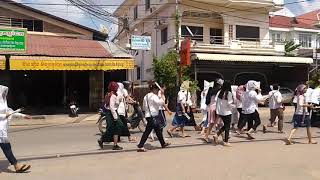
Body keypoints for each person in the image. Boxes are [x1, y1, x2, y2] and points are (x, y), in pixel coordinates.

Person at [0, 85, 32, 173]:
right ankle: (16, 165)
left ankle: (16, 165)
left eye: (4, 93)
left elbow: (10, 112)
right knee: (6, 147)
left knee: (6, 146)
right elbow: (5, 114)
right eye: (3, 93)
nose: (4, 95)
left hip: (1, 129)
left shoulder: (3, 103)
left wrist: (23, 116)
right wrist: (3, 115)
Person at [137, 81, 170, 152]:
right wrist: (162, 95)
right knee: (148, 131)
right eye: (157, 89)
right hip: (153, 116)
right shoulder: (154, 96)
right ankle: (140, 145)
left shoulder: (146, 96)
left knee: (157, 130)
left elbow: (144, 106)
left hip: (148, 115)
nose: (157, 91)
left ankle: (163, 143)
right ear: (154, 89)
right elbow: (160, 103)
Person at [98, 82, 124, 150]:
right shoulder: (112, 95)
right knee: (114, 127)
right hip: (112, 113)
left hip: (112, 113)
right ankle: (102, 139)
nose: (117, 88)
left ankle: (115, 144)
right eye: (116, 87)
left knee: (115, 128)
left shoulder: (112, 94)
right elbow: (112, 107)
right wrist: (115, 117)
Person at [213, 81, 235, 147]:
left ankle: (217, 134)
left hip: (220, 112)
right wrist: (234, 106)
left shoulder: (219, 92)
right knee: (227, 127)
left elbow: (216, 100)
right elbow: (229, 103)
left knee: (226, 125)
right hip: (227, 112)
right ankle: (226, 141)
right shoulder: (229, 93)